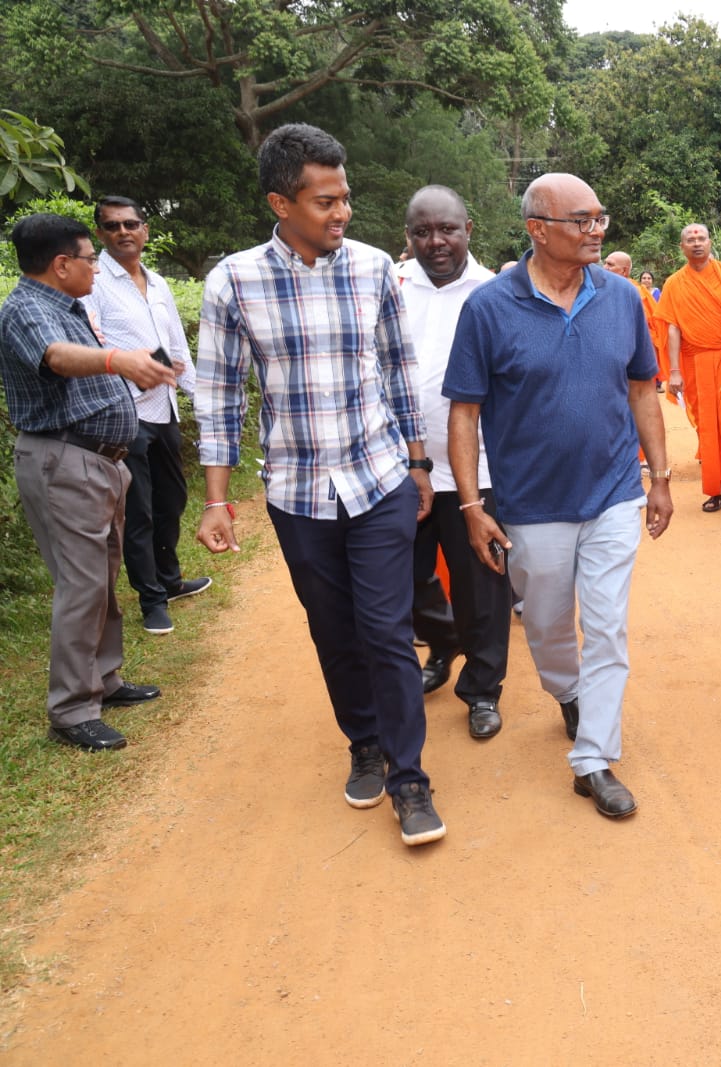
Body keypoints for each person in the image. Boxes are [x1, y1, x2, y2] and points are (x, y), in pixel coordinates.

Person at [195, 123, 445, 846]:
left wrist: (419, 463)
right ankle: (363, 740)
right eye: (325, 201)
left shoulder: (373, 269)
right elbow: (219, 395)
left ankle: (410, 779)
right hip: (298, 492)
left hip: (377, 479)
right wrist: (216, 499)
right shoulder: (234, 281)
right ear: (282, 201)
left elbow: (399, 370)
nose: (342, 214)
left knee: (386, 629)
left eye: (346, 198)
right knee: (333, 630)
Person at [443, 172, 672, 820]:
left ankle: (594, 758)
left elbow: (643, 390)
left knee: (606, 625)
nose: (596, 229)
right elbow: (464, 412)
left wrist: (659, 476)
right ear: (537, 229)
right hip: (530, 504)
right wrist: (470, 505)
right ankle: (566, 691)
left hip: (612, 493)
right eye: (581, 220)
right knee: (545, 625)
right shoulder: (490, 308)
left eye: (600, 217)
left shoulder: (622, 297)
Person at [0, 214, 172, 751]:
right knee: (81, 586)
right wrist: (119, 360)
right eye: (89, 258)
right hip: (64, 463)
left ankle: (105, 680)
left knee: (101, 578)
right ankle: (72, 710)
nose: (97, 266)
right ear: (61, 264)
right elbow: (57, 359)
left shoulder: (69, 305)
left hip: (98, 464)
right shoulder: (26, 309)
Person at [398, 185, 513, 740]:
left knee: (483, 584)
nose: (436, 241)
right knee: (404, 579)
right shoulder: (390, 290)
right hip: (403, 468)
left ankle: (483, 689)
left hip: (482, 470)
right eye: (423, 231)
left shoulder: (498, 293)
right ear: (409, 237)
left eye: (446, 229)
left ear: (469, 229)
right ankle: (442, 643)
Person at [81, 196, 211, 636]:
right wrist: (135, 368)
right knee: (138, 512)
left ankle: (170, 581)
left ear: (145, 230)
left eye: (131, 224)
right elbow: (91, 348)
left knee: (170, 500)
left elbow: (177, 349)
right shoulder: (94, 283)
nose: (123, 232)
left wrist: (199, 397)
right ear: (100, 233)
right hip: (125, 413)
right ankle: (152, 599)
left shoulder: (158, 283)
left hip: (165, 410)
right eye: (112, 226)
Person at [657, 223, 721, 512]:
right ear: (681, 247)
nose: (696, 243)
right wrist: (674, 371)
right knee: (707, 427)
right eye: (690, 239)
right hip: (696, 363)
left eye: (701, 238)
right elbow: (672, 328)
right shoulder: (674, 283)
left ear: (710, 243)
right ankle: (717, 490)